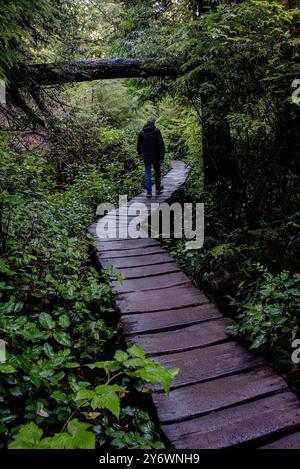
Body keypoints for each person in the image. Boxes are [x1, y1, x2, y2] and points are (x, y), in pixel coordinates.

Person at [137, 116, 165, 198]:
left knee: (147, 173)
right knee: (157, 172)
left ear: (147, 122)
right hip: (156, 156)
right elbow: (161, 145)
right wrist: (161, 157)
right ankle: (158, 188)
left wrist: (140, 156)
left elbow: (138, 146)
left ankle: (149, 192)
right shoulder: (157, 131)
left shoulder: (141, 132)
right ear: (154, 122)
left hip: (146, 157)